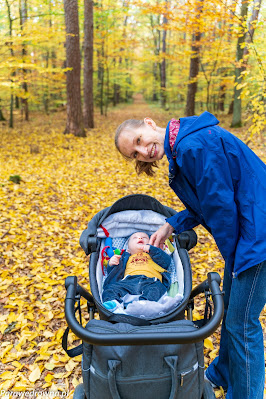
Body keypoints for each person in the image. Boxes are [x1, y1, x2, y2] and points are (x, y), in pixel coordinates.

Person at [114, 112, 266, 399]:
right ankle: (222, 372)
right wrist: (173, 223)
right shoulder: (183, 143)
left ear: (149, 124)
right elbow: (208, 199)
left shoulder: (191, 146)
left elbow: (221, 209)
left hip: (258, 236)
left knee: (242, 324)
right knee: (232, 307)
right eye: (135, 153)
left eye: (138, 141)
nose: (143, 152)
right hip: (251, 231)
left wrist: (234, 259)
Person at [102, 232, 171, 310]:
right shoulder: (125, 257)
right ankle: (114, 304)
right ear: (128, 248)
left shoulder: (155, 255)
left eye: (144, 238)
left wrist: (152, 250)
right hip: (128, 282)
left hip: (151, 281)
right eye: (135, 238)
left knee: (157, 288)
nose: (140, 238)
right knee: (110, 288)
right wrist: (112, 264)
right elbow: (114, 273)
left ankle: (144, 305)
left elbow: (166, 262)